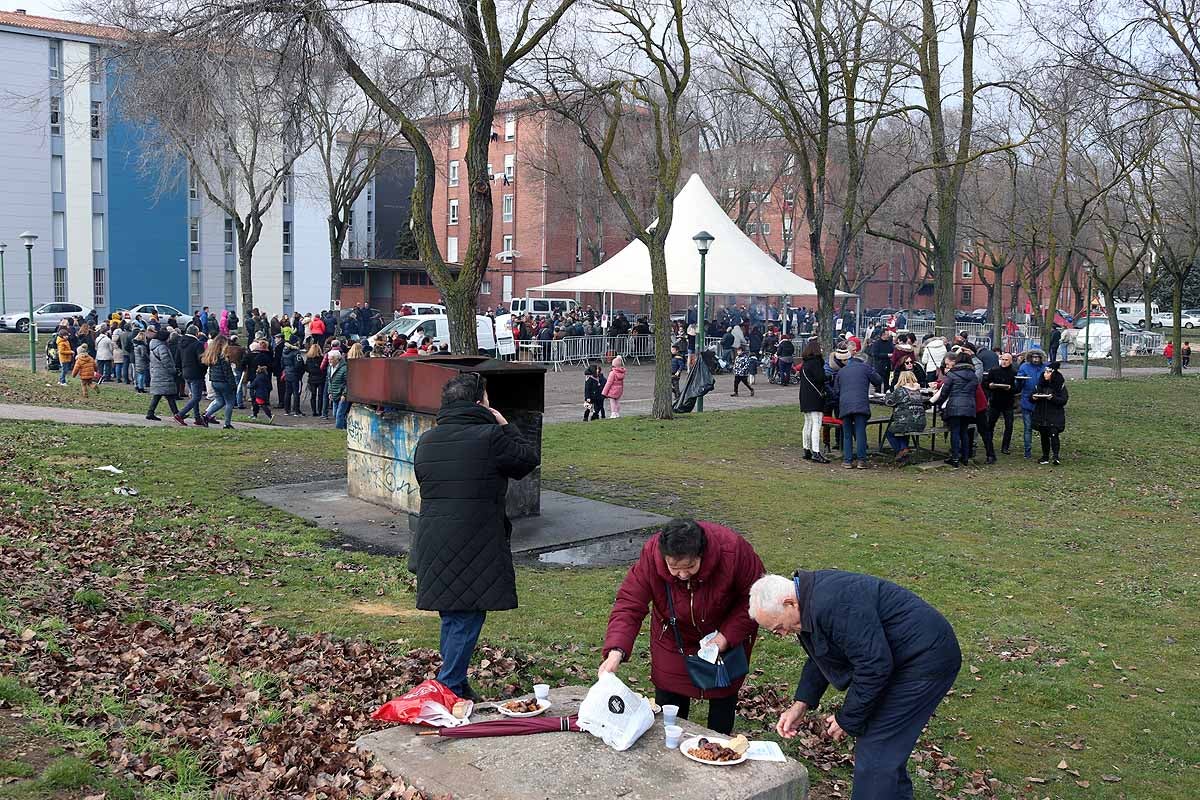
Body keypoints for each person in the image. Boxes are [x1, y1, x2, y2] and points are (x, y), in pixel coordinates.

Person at [749, 572, 961, 800]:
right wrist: (801, 704)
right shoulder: (809, 602)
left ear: (789, 603)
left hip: (924, 659)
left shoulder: (833, 603)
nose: (781, 634)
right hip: (898, 657)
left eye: (778, 627)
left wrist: (846, 719)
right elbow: (822, 654)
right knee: (881, 752)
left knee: (877, 753)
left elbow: (874, 666)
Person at [410, 373, 540, 701]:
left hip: (433, 538)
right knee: (468, 613)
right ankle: (449, 687)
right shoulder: (490, 437)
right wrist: (505, 423)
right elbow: (527, 459)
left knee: (453, 613)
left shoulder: (427, 441)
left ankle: (457, 683)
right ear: (479, 402)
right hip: (474, 540)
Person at [599, 519, 764, 735]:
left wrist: (726, 636)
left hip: (724, 636)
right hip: (672, 637)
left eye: (690, 567)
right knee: (670, 708)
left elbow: (757, 597)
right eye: (674, 568)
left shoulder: (733, 550)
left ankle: (720, 750)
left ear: (701, 554)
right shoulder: (651, 555)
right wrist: (616, 651)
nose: (683, 575)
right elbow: (630, 603)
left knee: (723, 701)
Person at [830, 348, 880, 470]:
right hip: (861, 404)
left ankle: (847, 460)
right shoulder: (866, 368)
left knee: (847, 434)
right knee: (860, 432)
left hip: (845, 405)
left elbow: (836, 391)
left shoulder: (841, 371)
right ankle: (861, 461)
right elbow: (878, 380)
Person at [931, 351, 978, 468]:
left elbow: (944, 392)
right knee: (964, 432)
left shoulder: (952, 375)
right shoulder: (973, 375)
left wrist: (938, 403)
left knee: (955, 432)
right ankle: (965, 457)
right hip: (969, 406)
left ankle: (955, 458)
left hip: (955, 406)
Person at [883, 371, 926, 465]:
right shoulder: (918, 391)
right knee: (903, 431)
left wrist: (888, 394)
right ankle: (904, 450)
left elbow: (889, 402)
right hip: (920, 423)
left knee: (890, 433)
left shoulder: (900, 390)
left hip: (905, 421)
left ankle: (900, 451)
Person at [798, 338, 829, 463]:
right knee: (816, 423)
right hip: (815, 396)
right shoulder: (816, 362)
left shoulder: (805, 363)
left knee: (808, 423)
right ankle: (816, 451)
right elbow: (820, 378)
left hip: (805, 396)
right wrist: (829, 376)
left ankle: (807, 449)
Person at [1031, 362, 1068, 465]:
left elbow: (1063, 400)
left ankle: (1056, 456)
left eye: (1048, 372)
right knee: (1043, 436)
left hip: (1054, 416)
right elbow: (1031, 396)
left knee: (1054, 434)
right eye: (1045, 372)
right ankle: (1045, 456)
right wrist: (1033, 397)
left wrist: (1053, 398)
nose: (1045, 374)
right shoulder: (1040, 385)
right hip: (1042, 415)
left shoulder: (1060, 386)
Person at [147, 328, 186, 424]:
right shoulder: (162, 347)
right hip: (164, 374)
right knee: (166, 395)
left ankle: (176, 413)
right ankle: (176, 414)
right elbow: (166, 361)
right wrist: (173, 371)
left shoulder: (153, 346)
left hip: (158, 373)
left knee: (164, 395)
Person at [982, 352, 1017, 458]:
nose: (1004, 362)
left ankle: (1005, 447)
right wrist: (990, 385)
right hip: (995, 401)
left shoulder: (1014, 372)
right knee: (990, 425)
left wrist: (1010, 388)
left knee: (1009, 425)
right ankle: (988, 444)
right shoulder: (994, 370)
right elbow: (985, 383)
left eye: (1006, 360)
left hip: (1008, 403)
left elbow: (1018, 388)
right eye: (1003, 359)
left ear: (1010, 361)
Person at [200, 335, 237, 429]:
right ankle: (227, 423)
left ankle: (206, 416)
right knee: (229, 402)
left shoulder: (211, 354)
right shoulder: (223, 356)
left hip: (215, 381)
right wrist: (233, 385)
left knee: (220, 401)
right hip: (224, 382)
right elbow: (227, 373)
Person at [177, 325, 209, 426]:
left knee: (194, 396)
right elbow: (201, 360)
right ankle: (180, 414)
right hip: (196, 373)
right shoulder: (197, 344)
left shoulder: (181, 342)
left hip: (185, 371)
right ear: (196, 333)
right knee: (196, 397)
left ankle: (197, 417)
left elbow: (177, 358)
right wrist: (205, 368)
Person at [1016, 349, 1046, 459]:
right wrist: (1019, 381)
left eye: (1038, 357)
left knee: (1043, 427)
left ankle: (1045, 450)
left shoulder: (1045, 367)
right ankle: (1027, 451)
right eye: (1033, 357)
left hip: (1042, 401)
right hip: (1027, 400)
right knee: (1027, 427)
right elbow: (1018, 385)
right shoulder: (1024, 367)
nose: (1036, 359)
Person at [327, 351, 349, 428]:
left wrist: (344, 394)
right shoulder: (329, 367)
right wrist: (330, 392)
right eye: (328, 359)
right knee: (335, 414)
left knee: (339, 414)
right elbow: (329, 380)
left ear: (337, 359)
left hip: (342, 395)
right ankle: (346, 428)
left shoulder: (344, 368)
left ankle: (338, 431)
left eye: (331, 359)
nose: (329, 361)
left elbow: (348, 382)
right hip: (334, 393)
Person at [304, 343, 326, 417]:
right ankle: (320, 411)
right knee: (320, 396)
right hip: (321, 378)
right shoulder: (322, 358)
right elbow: (324, 368)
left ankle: (314, 411)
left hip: (312, 378)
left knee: (313, 396)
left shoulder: (309, 359)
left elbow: (306, 369)